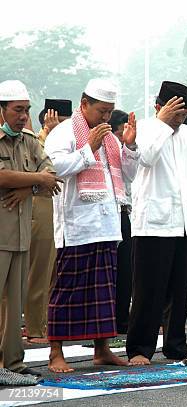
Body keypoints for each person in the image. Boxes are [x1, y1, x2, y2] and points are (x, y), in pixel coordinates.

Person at [44, 78, 138, 373]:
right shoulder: (63, 133)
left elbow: (129, 175)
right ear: (84, 104)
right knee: (67, 290)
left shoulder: (110, 138)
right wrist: (88, 149)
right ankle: (55, 352)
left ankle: (101, 349)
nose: (106, 118)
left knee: (104, 292)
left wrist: (131, 145)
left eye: (110, 112)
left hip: (107, 224)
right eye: (101, 111)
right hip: (76, 226)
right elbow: (53, 168)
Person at [127, 81, 187, 366]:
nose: (178, 117)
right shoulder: (148, 129)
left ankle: (176, 345)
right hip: (154, 224)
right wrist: (163, 123)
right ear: (158, 106)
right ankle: (140, 348)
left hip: (185, 223)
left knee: (179, 290)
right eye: (173, 110)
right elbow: (146, 158)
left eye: (181, 112)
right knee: (149, 290)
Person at [0, 80, 62, 377]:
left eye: (26, 110)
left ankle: (12, 364)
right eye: (17, 110)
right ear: (1, 110)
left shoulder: (29, 140)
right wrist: (34, 180)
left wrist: (26, 187)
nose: (23, 116)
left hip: (22, 234)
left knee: (15, 306)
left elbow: (50, 173)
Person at [24, 99, 72, 345]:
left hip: (59, 212)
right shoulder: (35, 140)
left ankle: (47, 323)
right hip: (40, 210)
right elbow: (38, 169)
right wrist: (48, 132)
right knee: (38, 271)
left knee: (53, 273)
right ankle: (35, 328)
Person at [108, 109, 132, 334]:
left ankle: (122, 320)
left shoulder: (127, 149)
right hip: (105, 213)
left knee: (125, 270)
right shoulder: (107, 145)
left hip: (124, 213)